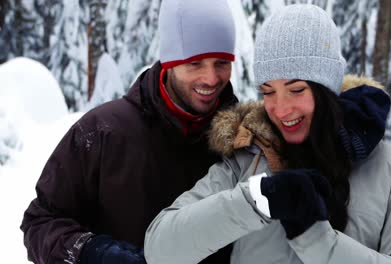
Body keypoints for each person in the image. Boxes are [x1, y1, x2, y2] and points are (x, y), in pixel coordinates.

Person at [144, 4, 391, 264]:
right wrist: (254, 201)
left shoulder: (389, 169)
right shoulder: (247, 158)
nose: (280, 109)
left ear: (326, 89)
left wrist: (318, 241)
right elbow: (160, 248)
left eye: (296, 90)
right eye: (268, 92)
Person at [20, 0, 238, 263]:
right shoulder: (102, 132)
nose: (211, 78)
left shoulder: (243, 140)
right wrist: (92, 252)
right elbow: (41, 222)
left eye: (222, 62)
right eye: (195, 63)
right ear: (169, 61)